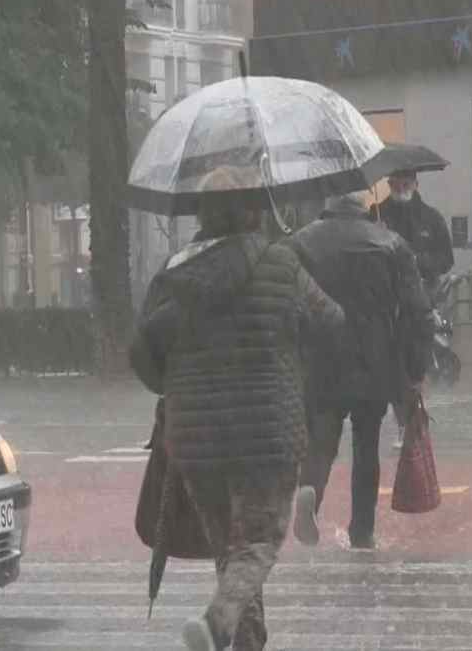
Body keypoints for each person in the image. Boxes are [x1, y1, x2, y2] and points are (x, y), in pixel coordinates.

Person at [130, 176, 345, 651]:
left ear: (203, 212)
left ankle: (249, 641)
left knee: (231, 554)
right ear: (254, 210)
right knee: (258, 542)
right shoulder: (279, 262)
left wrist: (174, 385)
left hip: (195, 440)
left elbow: (142, 350)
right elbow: (331, 321)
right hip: (265, 434)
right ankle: (217, 624)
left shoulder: (175, 271)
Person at [286, 190, 434, 551]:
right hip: (374, 359)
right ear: (364, 208)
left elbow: (285, 304)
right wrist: (414, 369)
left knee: (322, 436)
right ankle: (362, 530)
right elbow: (418, 311)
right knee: (366, 444)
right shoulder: (390, 242)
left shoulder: (301, 242)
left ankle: (310, 490)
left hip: (320, 358)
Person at [377, 169, 453, 447]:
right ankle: (404, 424)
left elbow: (447, 259)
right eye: (395, 183)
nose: (400, 188)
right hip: (388, 304)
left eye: (406, 183)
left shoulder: (431, 218)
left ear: (416, 184)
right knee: (396, 366)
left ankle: (415, 421)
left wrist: (418, 261)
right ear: (388, 184)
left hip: (421, 302)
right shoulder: (377, 215)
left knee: (417, 365)